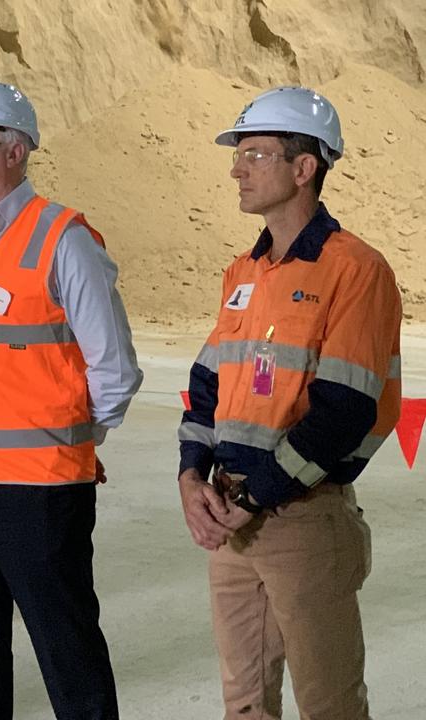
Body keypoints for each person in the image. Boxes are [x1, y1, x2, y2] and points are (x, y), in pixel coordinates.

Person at [177, 86, 401, 720]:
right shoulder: (242, 272)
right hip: (232, 515)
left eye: (254, 154)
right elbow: (206, 383)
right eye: (237, 155)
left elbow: (343, 412)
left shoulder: (356, 270)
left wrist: (251, 499)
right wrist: (192, 475)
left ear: (305, 168)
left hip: (302, 519)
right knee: (243, 704)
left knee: (329, 705)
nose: (236, 169)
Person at [0, 83, 142, 720]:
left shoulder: (62, 238)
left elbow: (114, 367)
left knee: (67, 651)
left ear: (16, 152)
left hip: (40, 488)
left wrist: (73, 435)